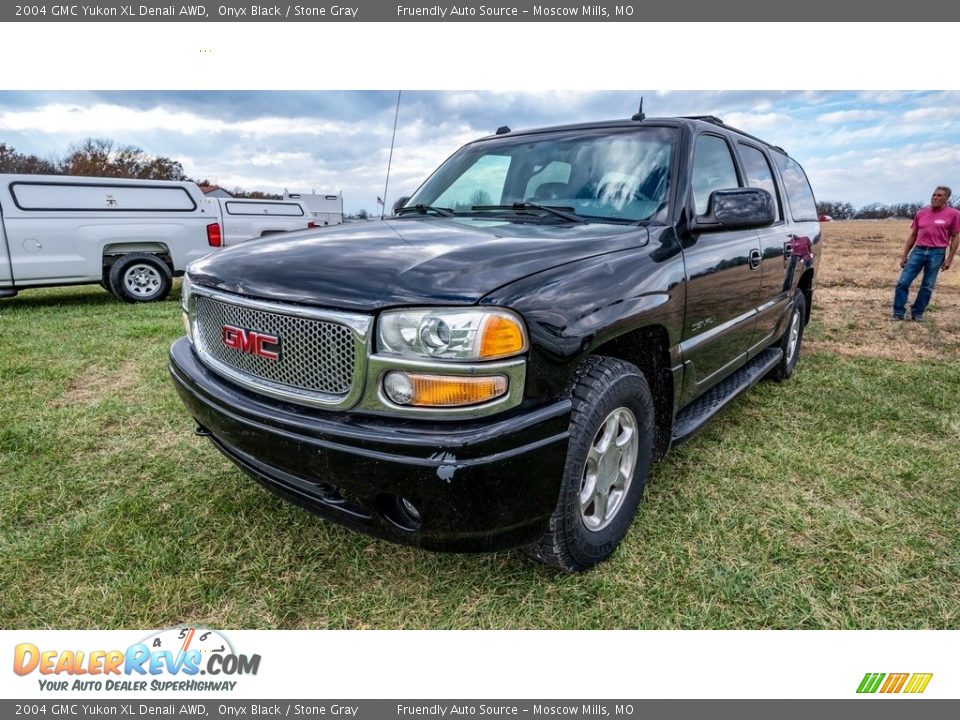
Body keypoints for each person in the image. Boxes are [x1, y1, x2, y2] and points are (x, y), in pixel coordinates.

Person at [892, 186, 960, 321]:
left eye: (940, 195)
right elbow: (913, 235)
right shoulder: (921, 213)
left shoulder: (954, 214)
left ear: (946, 198)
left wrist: (949, 259)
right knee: (903, 282)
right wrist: (905, 255)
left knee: (927, 285)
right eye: (934, 195)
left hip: (937, 253)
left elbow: (956, 237)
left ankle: (917, 313)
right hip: (918, 251)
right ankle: (898, 312)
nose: (935, 197)